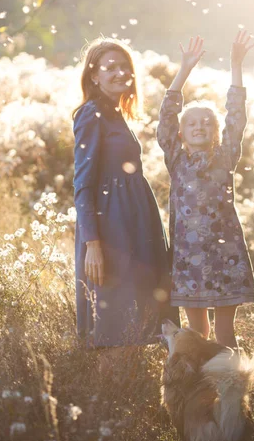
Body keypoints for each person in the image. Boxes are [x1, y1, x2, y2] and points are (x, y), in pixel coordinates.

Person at [72, 37, 176, 350]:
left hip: (136, 223)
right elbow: (82, 184)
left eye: (125, 67)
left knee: (141, 318)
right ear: (94, 75)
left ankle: (132, 394)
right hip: (112, 229)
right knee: (114, 328)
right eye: (110, 67)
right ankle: (108, 396)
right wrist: (93, 244)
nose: (120, 73)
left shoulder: (117, 113)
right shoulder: (91, 114)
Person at [156, 30, 254, 348]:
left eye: (207, 122)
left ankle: (230, 389)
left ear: (215, 133)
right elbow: (165, 119)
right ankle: (200, 391)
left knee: (226, 334)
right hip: (188, 261)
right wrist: (184, 70)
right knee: (196, 336)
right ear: (182, 134)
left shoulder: (224, 158)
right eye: (192, 123)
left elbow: (236, 120)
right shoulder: (176, 159)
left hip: (226, 258)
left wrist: (235, 66)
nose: (199, 125)